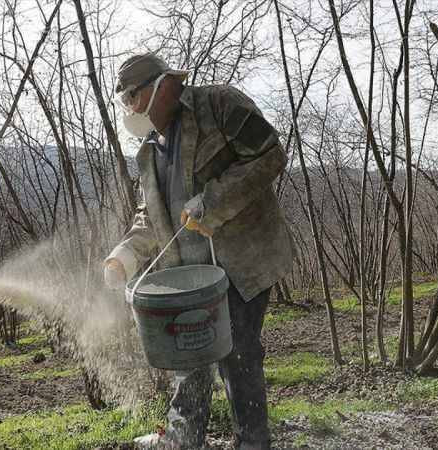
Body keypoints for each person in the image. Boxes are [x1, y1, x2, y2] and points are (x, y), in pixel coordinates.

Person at [103, 52, 295, 450]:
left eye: (133, 99)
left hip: (241, 263)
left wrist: (211, 203)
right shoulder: (149, 152)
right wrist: (125, 254)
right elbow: (149, 216)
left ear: (163, 87)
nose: (131, 110)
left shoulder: (220, 104)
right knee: (188, 358)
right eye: (125, 103)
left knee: (237, 352)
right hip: (189, 275)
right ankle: (183, 440)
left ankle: (253, 442)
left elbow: (270, 155)